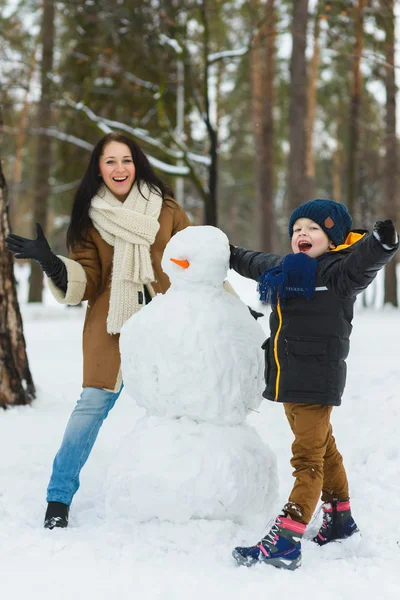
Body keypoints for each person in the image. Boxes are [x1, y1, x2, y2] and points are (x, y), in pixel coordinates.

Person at [6, 132, 191, 529]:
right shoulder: (89, 218)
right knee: (90, 409)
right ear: (99, 169)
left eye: (126, 160)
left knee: (182, 411)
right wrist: (51, 264)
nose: (119, 168)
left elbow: (194, 264)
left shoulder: (168, 210)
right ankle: (58, 498)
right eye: (110, 161)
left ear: (137, 163)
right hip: (112, 326)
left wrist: (230, 304)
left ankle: (186, 493)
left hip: (166, 323)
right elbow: (87, 282)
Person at [229, 199, 398, 570]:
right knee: (325, 449)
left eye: (313, 229)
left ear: (332, 238)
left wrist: (381, 244)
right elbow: (253, 261)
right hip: (291, 377)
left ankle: (286, 540)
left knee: (307, 461)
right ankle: (339, 520)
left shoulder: (339, 272)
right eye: (296, 229)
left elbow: (363, 261)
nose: (302, 235)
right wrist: (226, 252)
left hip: (315, 379)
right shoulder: (285, 269)